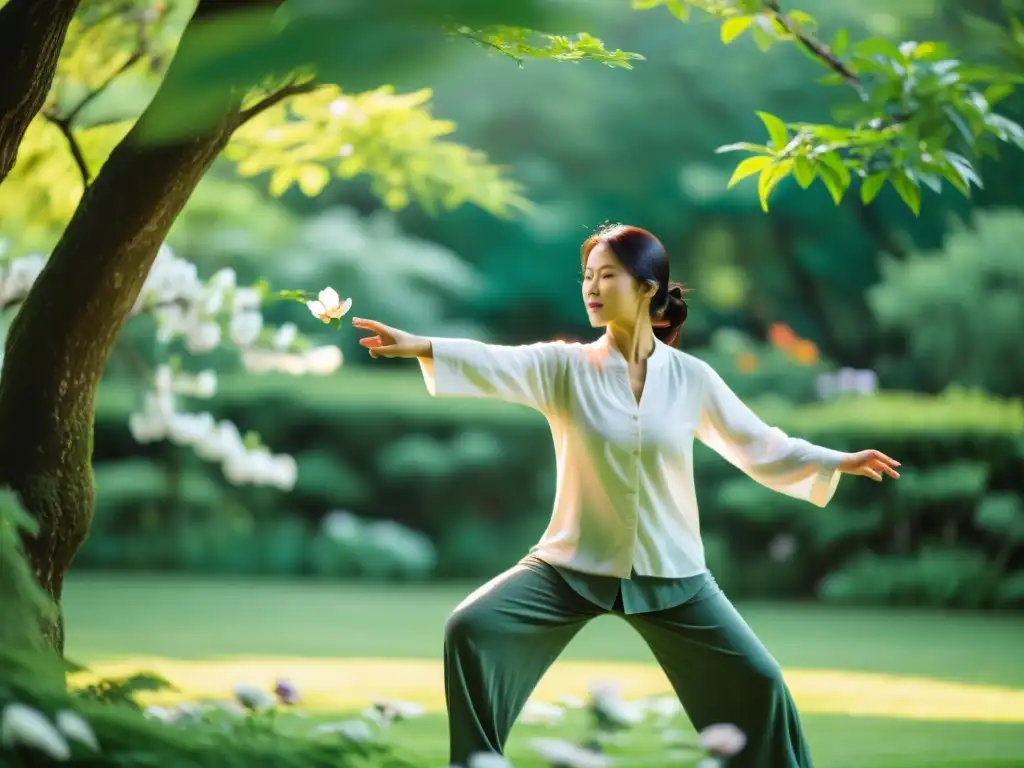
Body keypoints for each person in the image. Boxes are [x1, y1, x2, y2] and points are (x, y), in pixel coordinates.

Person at [352, 224, 901, 768]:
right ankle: (476, 765)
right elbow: (497, 361)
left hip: (674, 573)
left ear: (646, 287)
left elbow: (757, 444)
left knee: (760, 682)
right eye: (587, 277)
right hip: (571, 564)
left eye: (606, 275)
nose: (591, 287)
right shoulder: (564, 366)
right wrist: (420, 345)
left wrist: (834, 460)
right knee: (472, 629)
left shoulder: (692, 378)